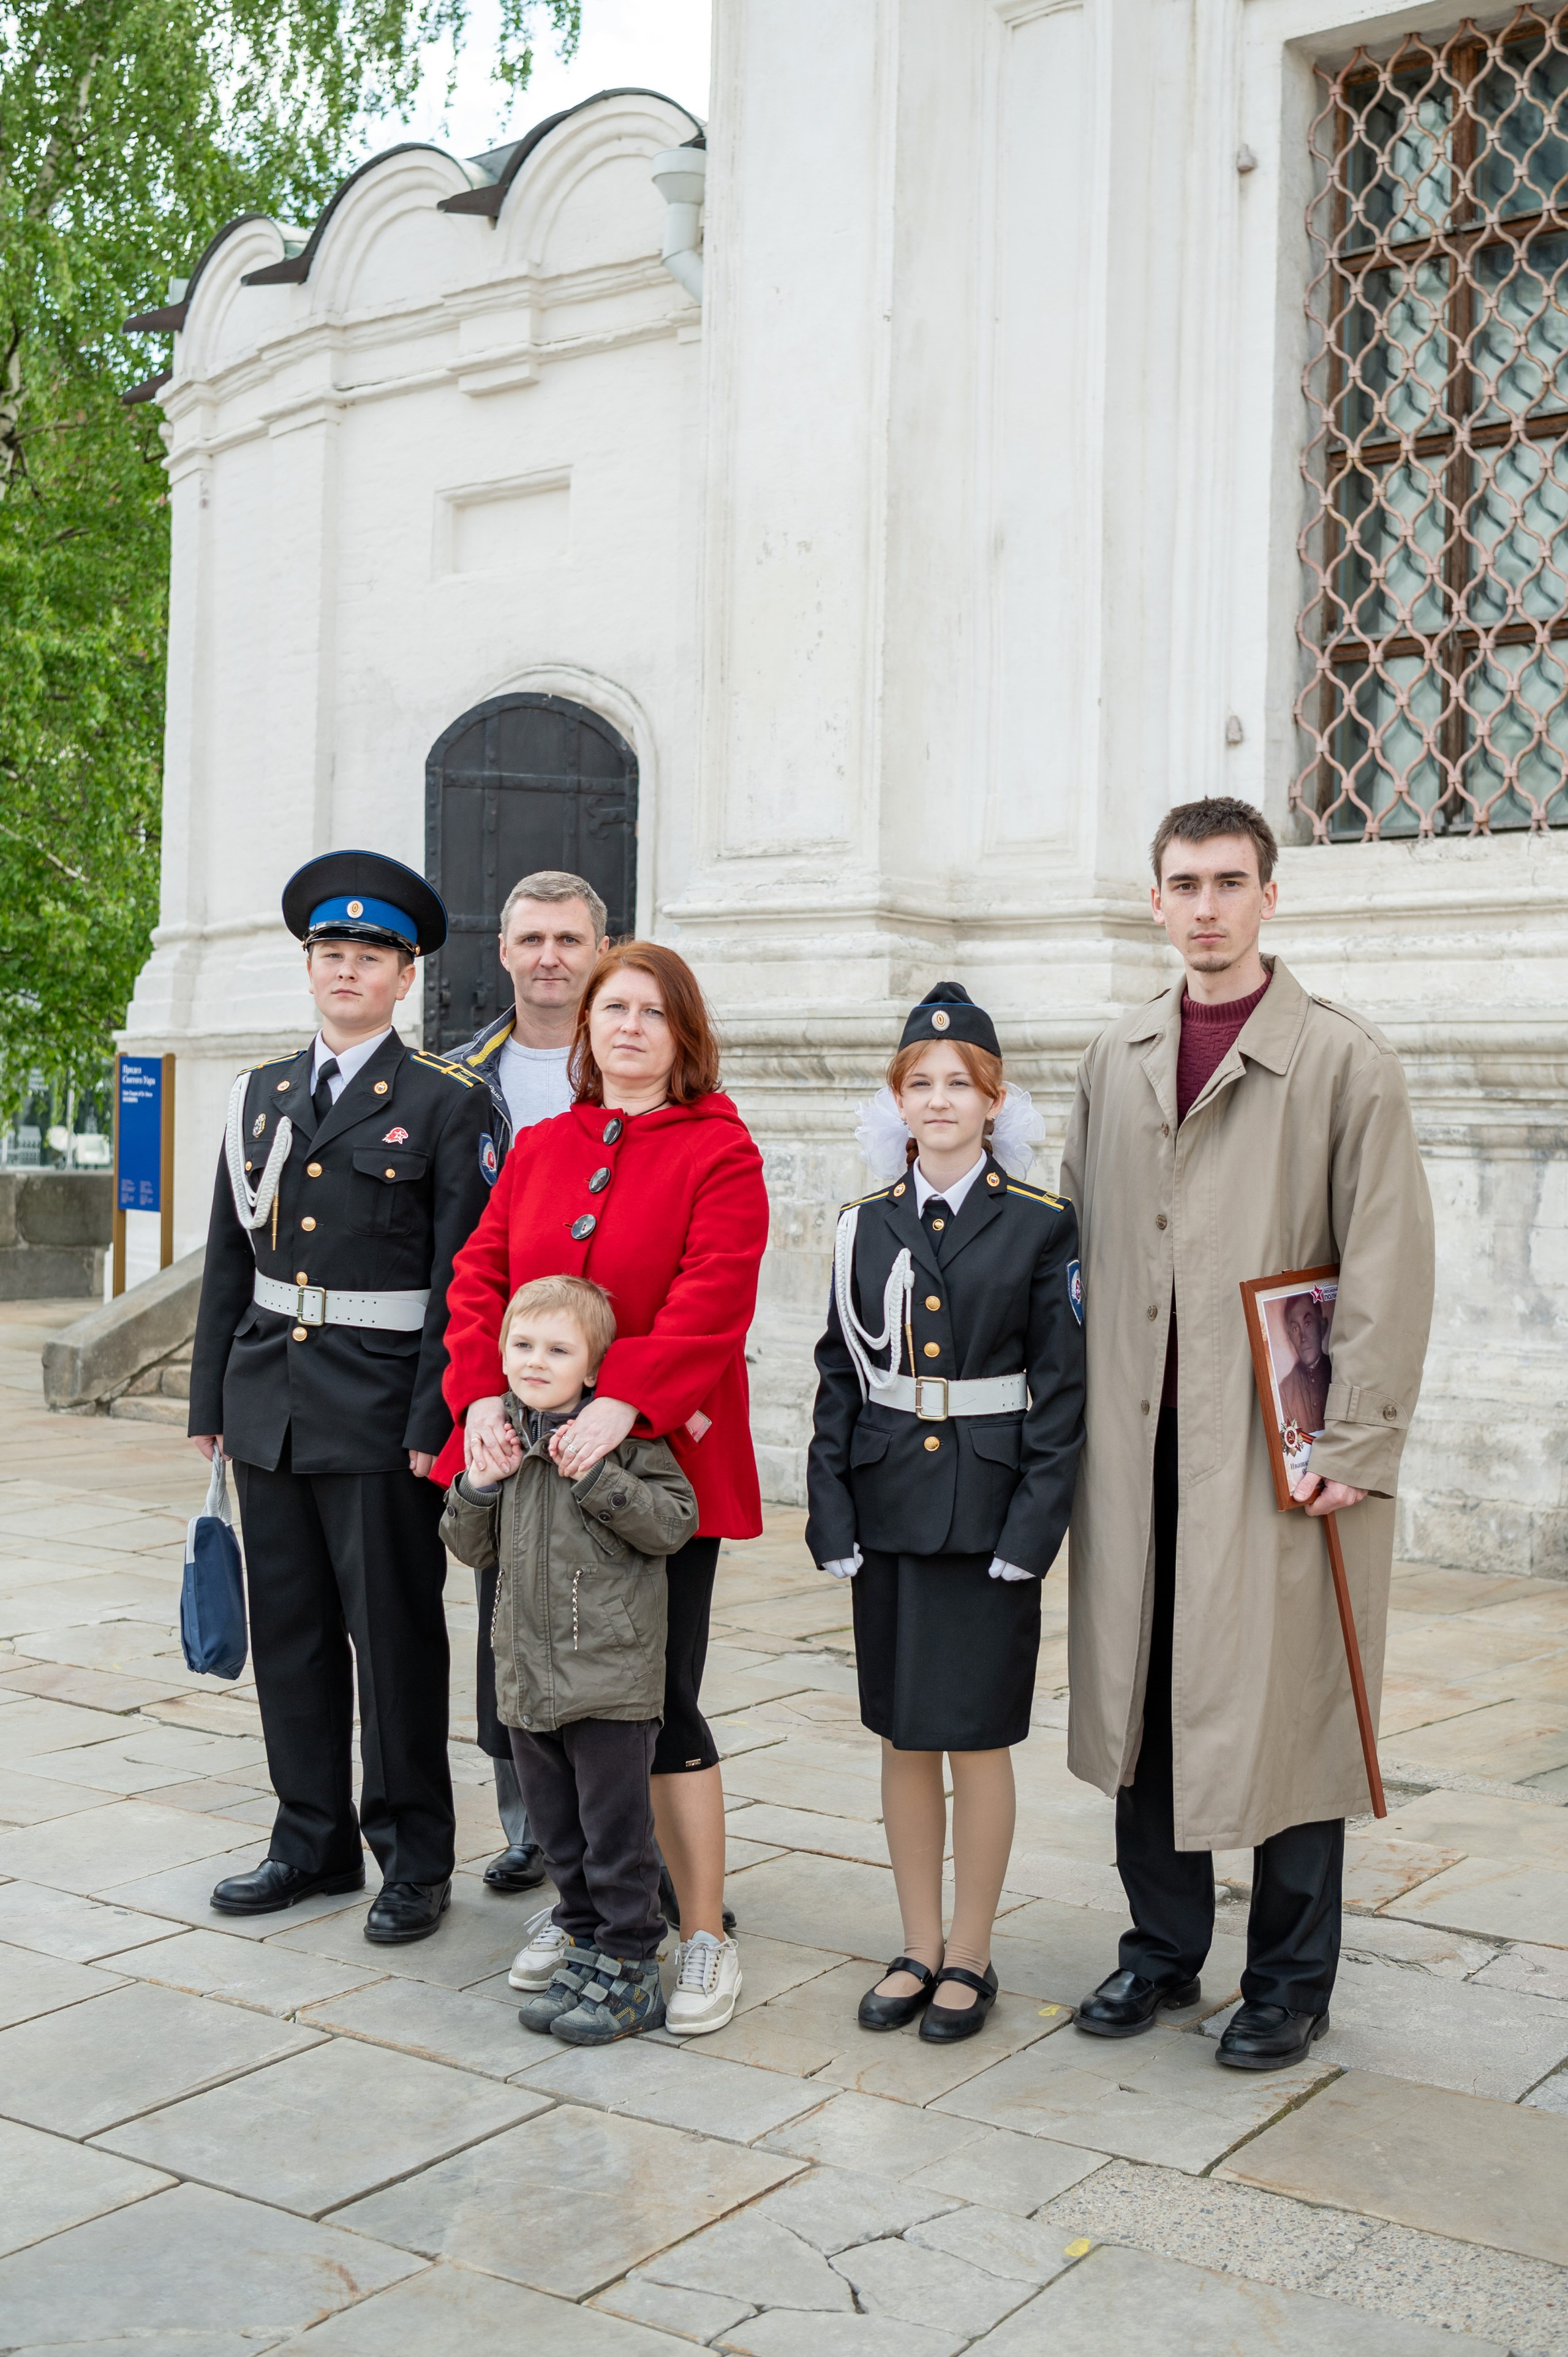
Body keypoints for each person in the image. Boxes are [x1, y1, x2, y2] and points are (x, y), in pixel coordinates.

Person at [1063, 796, 1434, 2069]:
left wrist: (1356, 1440)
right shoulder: (1111, 1057)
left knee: (1288, 1709)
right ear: (1153, 899)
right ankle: (1158, 1953)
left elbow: (1387, 1260)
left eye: (1229, 881)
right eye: (1184, 883)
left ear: (1268, 896)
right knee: (1143, 1700)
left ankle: (1287, 1978)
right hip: (1134, 1446)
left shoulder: (1341, 1061)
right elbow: (1080, 1246)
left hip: (1275, 1455)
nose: (1206, 906)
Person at [437, 940, 770, 2034]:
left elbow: (715, 1294)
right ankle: (592, 1911)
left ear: (684, 1035)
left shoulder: (721, 1150)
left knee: (657, 1704)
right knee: (548, 1693)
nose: (628, 1026)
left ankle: (705, 1930)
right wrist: (481, 1394)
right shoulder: (538, 1147)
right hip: (527, 1470)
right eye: (610, 1008)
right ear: (585, 1029)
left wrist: (624, 1398)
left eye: (651, 1011)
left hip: (656, 1462)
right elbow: (482, 1275)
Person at [188, 850, 497, 1944]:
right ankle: (307, 1839)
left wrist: (438, 1420)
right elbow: (231, 1258)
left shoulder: (448, 1103)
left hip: (382, 1413)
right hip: (271, 1400)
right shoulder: (260, 1093)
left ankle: (413, 1856)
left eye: (370, 955)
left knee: (397, 1638)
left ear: (405, 976)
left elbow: (467, 1278)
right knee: (294, 1634)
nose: (347, 970)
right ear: (310, 965)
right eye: (332, 953)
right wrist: (210, 1403)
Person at [805, 984, 1086, 2041]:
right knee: (903, 1730)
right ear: (897, 1101)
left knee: (975, 1735)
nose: (938, 1099)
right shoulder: (863, 1226)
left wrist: (1035, 1529)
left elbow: (1062, 1394)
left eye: (958, 1084)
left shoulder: (1041, 1225)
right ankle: (916, 1941)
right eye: (919, 1084)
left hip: (988, 1514)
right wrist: (829, 1506)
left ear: (994, 1100)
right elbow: (839, 1372)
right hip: (888, 1506)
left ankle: (971, 1951)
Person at [440, 1275, 698, 2044]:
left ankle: (631, 1965)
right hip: (526, 1680)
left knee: (615, 1835)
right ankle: (584, 1948)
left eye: (558, 1349)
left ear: (593, 1368)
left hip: (609, 1681)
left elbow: (673, 1523)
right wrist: (478, 1484)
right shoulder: (502, 1442)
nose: (535, 1361)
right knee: (559, 1835)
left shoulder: (624, 1442)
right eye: (522, 1345)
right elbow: (464, 1545)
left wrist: (598, 1478)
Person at [450, 871, 610, 1898]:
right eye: (531, 938)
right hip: (509, 1383)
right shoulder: (462, 1076)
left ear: (602, 947)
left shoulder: (637, 1055)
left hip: (615, 1386)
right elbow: (462, 1251)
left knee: (618, 1622)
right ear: (503, 952)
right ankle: (527, 1823)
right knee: (507, 1607)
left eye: (568, 937)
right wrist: (470, 1394)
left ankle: (620, 1835)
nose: (549, 955)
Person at [1277, 1292, 1332, 1438]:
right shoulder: (1285, 1391)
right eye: (1295, 1329)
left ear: (1323, 1326)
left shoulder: (1339, 1371)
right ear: (1290, 1338)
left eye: (1308, 1324)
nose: (1303, 1338)